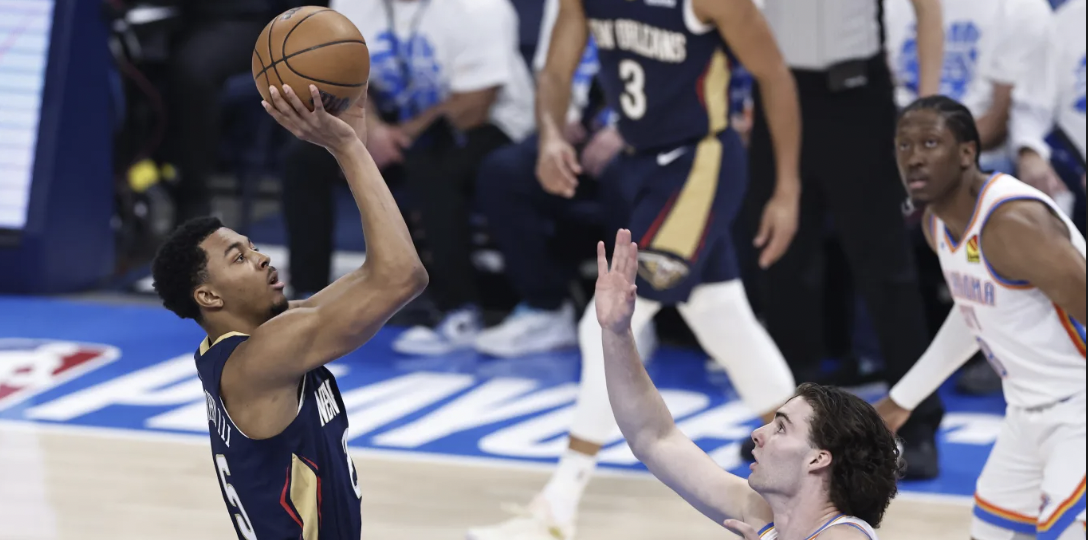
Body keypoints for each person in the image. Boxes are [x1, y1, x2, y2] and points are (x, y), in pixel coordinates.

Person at [468, 0, 803, 536]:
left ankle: (558, 506)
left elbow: (775, 76)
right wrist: (550, 135)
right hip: (641, 168)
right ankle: (820, 473)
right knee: (724, 321)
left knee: (603, 324)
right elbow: (555, 69)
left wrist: (786, 189)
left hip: (700, 164)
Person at [151, 84, 428, 538]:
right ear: (209, 297)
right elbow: (402, 277)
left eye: (252, 247)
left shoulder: (246, 343)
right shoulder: (263, 357)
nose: (262, 258)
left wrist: (351, 150)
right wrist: (347, 148)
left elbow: (381, 275)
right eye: (239, 258)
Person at [737, 0, 945, 478]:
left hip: (858, 97)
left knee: (887, 268)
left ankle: (918, 423)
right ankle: (787, 424)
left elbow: (928, 10)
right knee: (782, 263)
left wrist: (928, 107)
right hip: (778, 90)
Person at [593, 229, 900, 540]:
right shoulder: (762, 514)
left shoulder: (845, 535)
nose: (758, 433)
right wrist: (617, 333)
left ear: (818, 458)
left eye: (782, 428)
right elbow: (654, 438)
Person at [875, 95, 1086, 540]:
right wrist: (903, 399)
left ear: (967, 152)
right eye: (904, 145)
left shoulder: (1014, 224)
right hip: (1026, 412)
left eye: (930, 143)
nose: (914, 158)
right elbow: (975, 313)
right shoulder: (937, 225)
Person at [281, 0, 534, 357]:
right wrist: (373, 130)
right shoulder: (350, 4)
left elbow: (476, 102)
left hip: (490, 123)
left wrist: (399, 136)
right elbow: (343, 76)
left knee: (432, 167)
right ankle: (308, 300)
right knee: (303, 159)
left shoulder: (481, 7)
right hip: (388, 125)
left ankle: (459, 309)